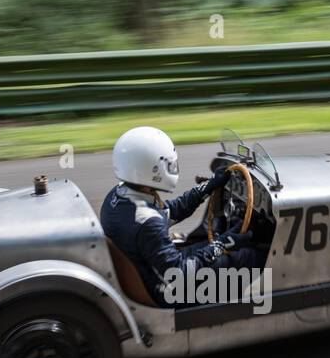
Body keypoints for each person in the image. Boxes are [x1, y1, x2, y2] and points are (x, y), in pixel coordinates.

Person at [99, 126, 259, 307]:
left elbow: (171, 211)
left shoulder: (119, 197)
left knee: (212, 245)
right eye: (169, 164)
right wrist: (222, 244)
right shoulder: (147, 222)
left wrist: (208, 187)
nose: (172, 167)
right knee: (247, 256)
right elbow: (180, 274)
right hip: (168, 291)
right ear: (153, 169)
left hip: (152, 271)